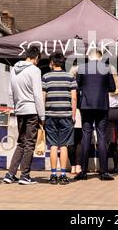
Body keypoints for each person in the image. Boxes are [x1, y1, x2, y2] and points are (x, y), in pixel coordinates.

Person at [3, 46, 45, 185]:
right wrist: (42, 116)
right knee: (29, 144)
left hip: (20, 109)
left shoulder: (14, 69)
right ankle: (25, 175)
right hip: (32, 110)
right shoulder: (35, 70)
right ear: (37, 57)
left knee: (21, 142)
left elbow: (10, 91)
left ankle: (10, 174)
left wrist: (15, 107)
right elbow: (38, 95)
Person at [75, 49, 116, 181]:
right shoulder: (106, 68)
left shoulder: (82, 68)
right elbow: (112, 87)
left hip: (86, 105)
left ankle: (83, 172)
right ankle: (103, 172)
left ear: (89, 57)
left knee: (86, 136)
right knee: (102, 137)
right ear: (100, 57)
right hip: (102, 105)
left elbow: (78, 85)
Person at [42, 52, 77, 185]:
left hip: (50, 115)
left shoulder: (46, 77)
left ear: (52, 62)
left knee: (52, 145)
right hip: (66, 115)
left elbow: (43, 96)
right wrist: (73, 115)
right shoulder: (70, 77)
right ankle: (63, 174)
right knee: (64, 145)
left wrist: (43, 115)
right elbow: (74, 97)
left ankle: (53, 174)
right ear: (63, 63)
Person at [67, 63, 82, 177]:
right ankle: (78, 166)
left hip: (68, 113)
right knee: (79, 141)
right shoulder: (81, 84)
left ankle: (72, 166)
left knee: (70, 142)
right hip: (79, 113)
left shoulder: (67, 83)